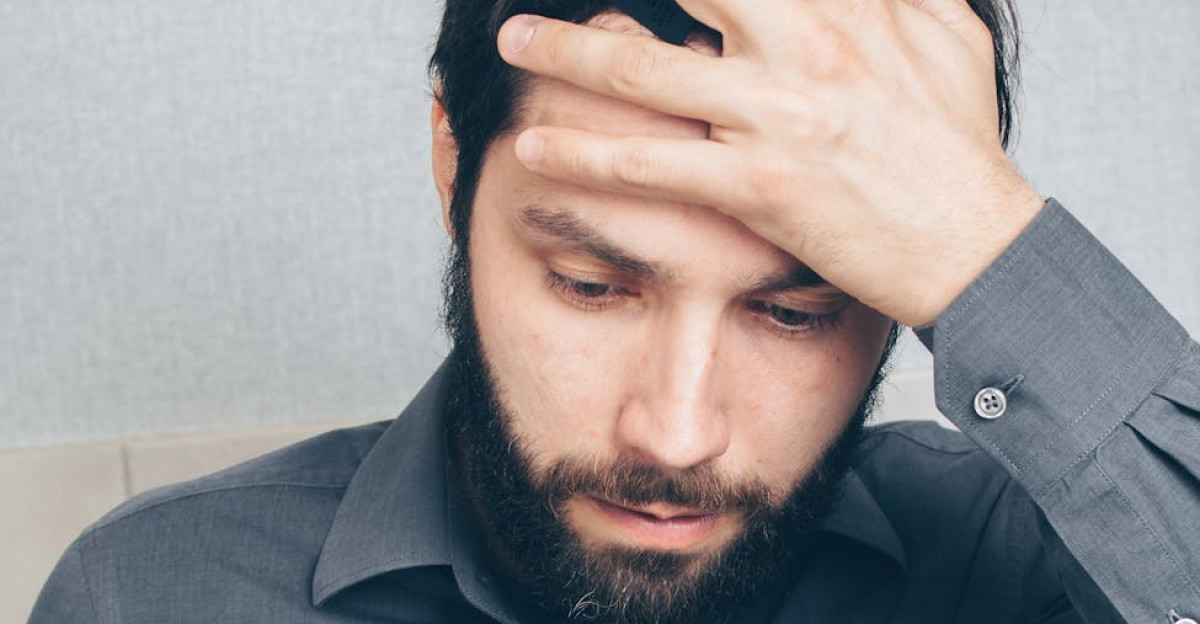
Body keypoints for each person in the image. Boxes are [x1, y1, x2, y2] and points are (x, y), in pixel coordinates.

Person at [29, 0, 1199, 622]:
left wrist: (988, 248)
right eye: (593, 287)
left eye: (795, 313)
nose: (676, 435)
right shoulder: (152, 595)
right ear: (453, 162)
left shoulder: (1034, 567)